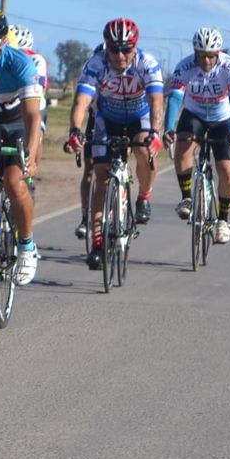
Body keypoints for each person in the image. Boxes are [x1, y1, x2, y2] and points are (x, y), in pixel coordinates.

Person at [63, 18, 164, 270]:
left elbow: (156, 102)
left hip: (139, 118)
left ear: (135, 47)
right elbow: (81, 102)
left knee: (143, 149)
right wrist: (75, 130)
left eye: (126, 49)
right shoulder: (96, 64)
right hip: (107, 119)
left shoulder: (147, 63)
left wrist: (155, 132)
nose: (120, 55)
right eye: (114, 49)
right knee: (101, 176)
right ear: (106, 47)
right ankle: (98, 243)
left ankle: (143, 196)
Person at [164, 26, 230, 243]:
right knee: (182, 149)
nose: (206, 61)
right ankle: (187, 198)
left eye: (210, 56)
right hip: (194, 114)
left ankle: (223, 220)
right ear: (195, 52)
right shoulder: (185, 67)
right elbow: (174, 98)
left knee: (226, 169)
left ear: (218, 53)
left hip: (222, 119)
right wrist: (169, 128)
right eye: (201, 55)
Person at [0, 16, 45, 284]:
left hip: (16, 122)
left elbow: (33, 116)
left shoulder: (19, 62)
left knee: (13, 180)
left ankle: (26, 245)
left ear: (1, 40)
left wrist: (30, 156)